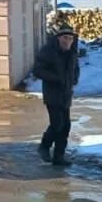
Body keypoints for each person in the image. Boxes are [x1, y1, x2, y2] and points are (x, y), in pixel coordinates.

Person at [33, 25, 80, 166]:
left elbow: (76, 68)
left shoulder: (72, 52)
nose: (68, 41)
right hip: (52, 93)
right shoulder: (48, 51)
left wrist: (74, 78)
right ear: (59, 38)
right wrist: (56, 78)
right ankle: (44, 147)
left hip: (66, 94)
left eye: (70, 38)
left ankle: (59, 157)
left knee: (66, 126)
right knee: (57, 124)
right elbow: (38, 70)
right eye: (65, 38)